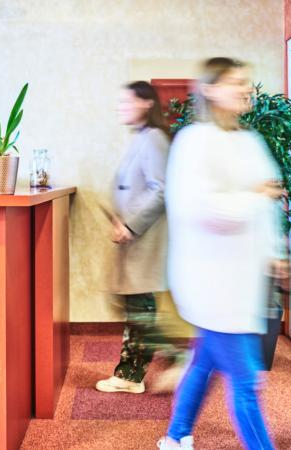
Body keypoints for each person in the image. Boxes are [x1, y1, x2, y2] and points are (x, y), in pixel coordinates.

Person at [158, 57, 285, 449]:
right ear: (210, 90)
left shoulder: (250, 141)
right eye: (234, 82)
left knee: (204, 362)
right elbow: (204, 210)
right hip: (209, 281)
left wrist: (275, 252)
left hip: (241, 279)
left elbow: (269, 201)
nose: (245, 88)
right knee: (246, 381)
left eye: (247, 81)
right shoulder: (193, 142)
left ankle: (176, 436)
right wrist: (256, 196)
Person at [95, 81, 170, 394]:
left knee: (139, 308)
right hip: (133, 238)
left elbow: (161, 189)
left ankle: (136, 373)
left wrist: (130, 225)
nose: (120, 107)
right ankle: (135, 371)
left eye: (126, 102)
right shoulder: (141, 138)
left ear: (147, 103)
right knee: (134, 305)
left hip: (144, 238)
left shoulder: (153, 139)